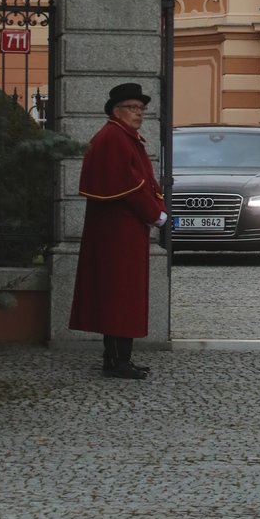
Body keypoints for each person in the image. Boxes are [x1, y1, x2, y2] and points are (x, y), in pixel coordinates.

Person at [69, 82, 167, 380]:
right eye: (133, 108)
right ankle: (117, 361)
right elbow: (130, 185)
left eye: (141, 109)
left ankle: (117, 358)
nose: (139, 114)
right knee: (120, 294)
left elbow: (139, 180)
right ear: (116, 110)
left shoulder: (124, 136)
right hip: (117, 231)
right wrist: (157, 215)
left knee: (121, 294)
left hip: (123, 229)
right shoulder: (114, 137)